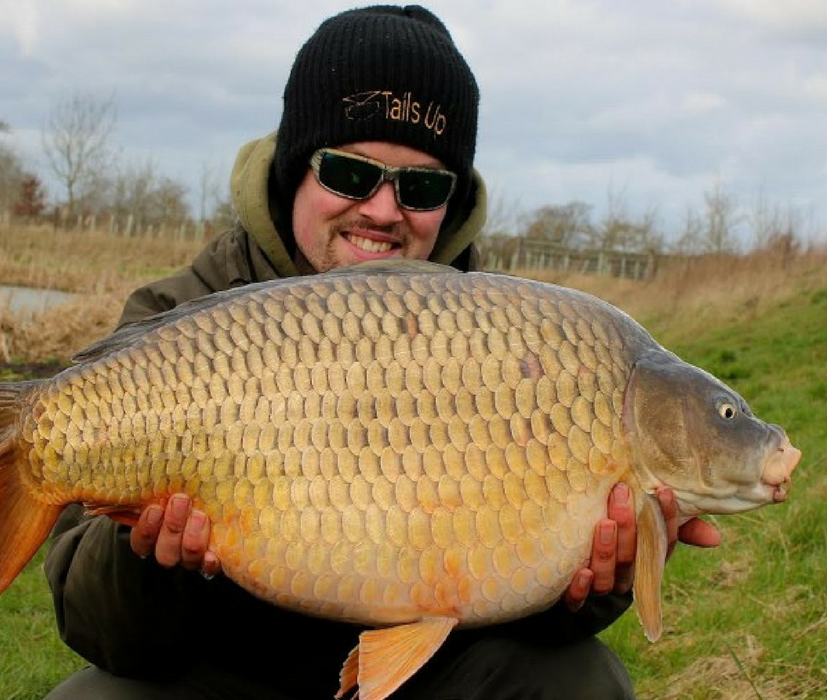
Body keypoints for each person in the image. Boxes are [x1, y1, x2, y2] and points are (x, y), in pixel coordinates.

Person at [43, 6, 720, 699]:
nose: (383, 210)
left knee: (580, 681)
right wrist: (150, 560)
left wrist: (591, 585)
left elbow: (538, 591)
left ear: (451, 205)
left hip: (437, 668)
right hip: (228, 665)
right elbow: (92, 623)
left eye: (421, 186)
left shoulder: (524, 340)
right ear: (293, 170)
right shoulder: (177, 321)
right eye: (349, 172)